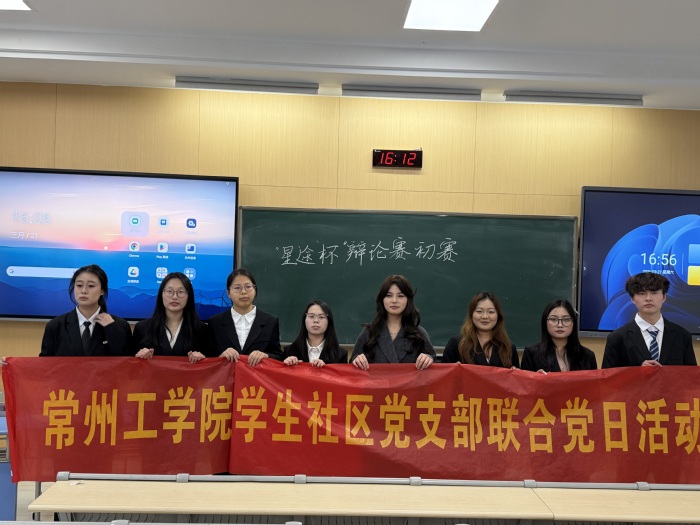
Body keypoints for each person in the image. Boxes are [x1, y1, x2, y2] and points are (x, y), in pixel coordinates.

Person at [602, 272, 697, 368]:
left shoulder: (682, 336)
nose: (648, 298)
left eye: (654, 293)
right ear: (632, 299)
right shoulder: (617, 338)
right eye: (642, 293)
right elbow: (609, 376)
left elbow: (691, 375)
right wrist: (637, 372)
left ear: (664, 297)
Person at [40, 264, 131, 357]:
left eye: (91, 286)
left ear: (102, 290)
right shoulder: (55, 326)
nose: (83, 291)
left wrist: (112, 329)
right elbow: (46, 362)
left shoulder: (120, 325)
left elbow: (125, 360)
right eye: (79, 285)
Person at [350, 274, 435, 370]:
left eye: (400, 296)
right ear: (382, 299)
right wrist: (357, 360)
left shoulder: (419, 333)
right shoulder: (369, 332)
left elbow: (435, 366)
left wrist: (428, 359)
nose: (394, 300)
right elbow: (353, 364)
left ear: (408, 300)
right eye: (389, 295)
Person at [132, 272, 214, 363]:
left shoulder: (202, 330)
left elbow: (211, 365)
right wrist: (138, 356)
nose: (175, 297)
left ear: (189, 296)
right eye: (169, 291)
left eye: (181, 292)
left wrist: (203, 359)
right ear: (161, 294)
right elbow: (130, 364)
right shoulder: (142, 328)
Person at [208, 268, 282, 366]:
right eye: (237, 288)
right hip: (226, 375)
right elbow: (207, 357)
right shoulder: (215, 323)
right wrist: (220, 357)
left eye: (248, 287)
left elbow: (278, 356)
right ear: (228, 293)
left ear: (255, 290)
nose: (243, 292)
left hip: (257, 375)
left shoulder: (270, 322)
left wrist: (266, 356)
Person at [442, 291, 519, 368]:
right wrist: (453, 370)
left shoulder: (509, 348)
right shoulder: (456, 344)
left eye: (491, 312)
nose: (485, 316)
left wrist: (515, 372)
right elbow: (443, 373)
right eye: (479, 311)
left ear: (498, 316)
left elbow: (517, 374)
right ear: (471, 314)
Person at [521, 299, 597, 373]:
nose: (560, 325)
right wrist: (536, 378)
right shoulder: (531, 354)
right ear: (545, 322)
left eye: (566, 319)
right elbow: (525, 381)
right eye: (554, 319)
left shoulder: (588, 356)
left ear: (573, 323)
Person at [283, 300, 347, 367]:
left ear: (329, 321)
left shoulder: (340, 354)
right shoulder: (289, 351)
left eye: (321, 317)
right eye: (311, 316)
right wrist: (288, 366)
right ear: (304, 320)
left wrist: (324, 369)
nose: (316, 320)